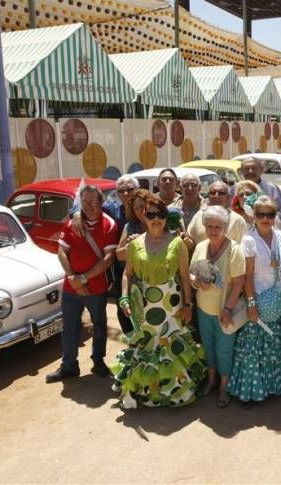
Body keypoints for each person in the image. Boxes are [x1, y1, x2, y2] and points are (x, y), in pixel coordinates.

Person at [112, 193, 204, 408]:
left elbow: (183, 276)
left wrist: (188, 305)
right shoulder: (134, 245)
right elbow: (127, 274)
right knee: (147, 347)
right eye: (151, 214)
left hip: (172, 308)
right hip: (144, 307)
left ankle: (174, 393)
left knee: (170, 348)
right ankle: (146, 392)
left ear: (166, 217)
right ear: (144, 216)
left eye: (160, 214)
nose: (156, 219)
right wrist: (125, 297)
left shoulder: (176, 243)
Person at [47, 185, 118, 383]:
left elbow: (108, 258)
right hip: (71, 287)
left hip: (96, 289)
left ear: (101, 202)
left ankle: (98, 362)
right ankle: (69, 365)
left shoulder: (109, 225)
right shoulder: (72, 223)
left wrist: (84, 279)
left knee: (99, 326)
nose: (88, 206)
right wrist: (73, 278)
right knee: (69, 327)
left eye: (93, 202)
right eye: (84, 202)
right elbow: (61, 252)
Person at [227, 195, 281, 403]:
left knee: (272, 344)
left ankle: (272, 387)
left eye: (269, 214)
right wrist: (252, 304)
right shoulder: (249, 240)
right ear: (253, 216)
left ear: (274, 216)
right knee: (253, 347)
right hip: (258, 298)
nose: (265, 218)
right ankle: (251, 391)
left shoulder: (279, 236)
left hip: (277, 299)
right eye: (260, 214)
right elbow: (247, 275)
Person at [190, 206, 246, 408]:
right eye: (209, 226)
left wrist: (228, 309)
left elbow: (239, 282)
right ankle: (211, 381)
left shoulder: (235, 250)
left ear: (225, 227)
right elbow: (191, 271)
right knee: (208, 347)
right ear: (204, 226)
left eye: (218, 227)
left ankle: (224, 386)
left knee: (224, 350)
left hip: (224, 310)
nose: (213, 230)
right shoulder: (201, 246)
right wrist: (196, 282)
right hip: (203, 308)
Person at [100, 174, 139, 334]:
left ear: (137, 189)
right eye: (121, 191)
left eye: (129, 189)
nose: (125, 194)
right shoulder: (112, 209)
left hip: (145, 268)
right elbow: (87, 205)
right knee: (123, 307)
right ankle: (131, 342)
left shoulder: (145, 206)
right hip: (121, 267)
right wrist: (75, 214)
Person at [187, 181, 248, 247]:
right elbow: (191, 243)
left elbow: (242, 250)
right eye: (213, 193)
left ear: (228, 197)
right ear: (208, 196)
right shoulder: (199, 215)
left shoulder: (238, 221)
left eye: (221, 193)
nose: (216, 195)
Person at [234, 157, 281, 225]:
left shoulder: (272, 189)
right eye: (246, 168)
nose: (250, 171)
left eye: (254, 168)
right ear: (241, 171)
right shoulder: (234, 189)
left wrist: (268, 216)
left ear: (261, 170)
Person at [115, 189, 152, 262]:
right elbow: (119, 255)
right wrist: (131, 246)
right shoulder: (129, 226)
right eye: (136, 208)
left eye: (142, 206)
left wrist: (142, 242)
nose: (140, 211)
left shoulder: (161, 222)